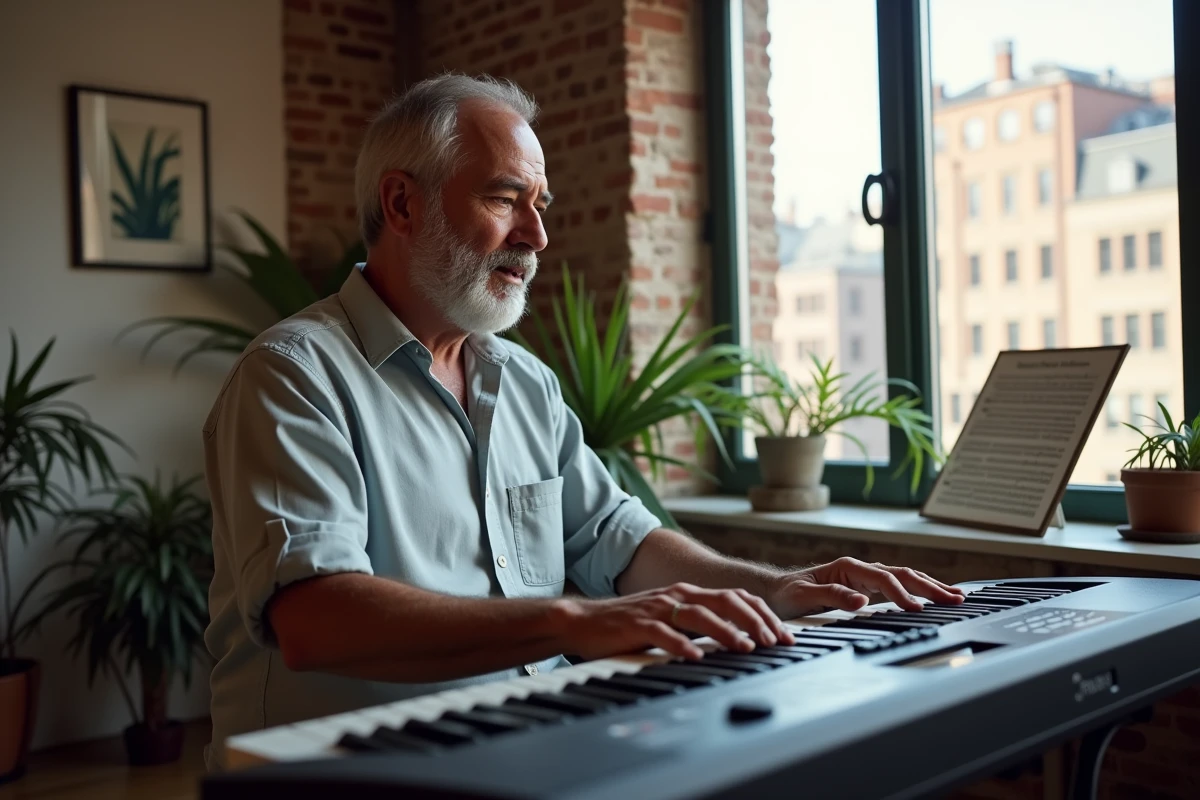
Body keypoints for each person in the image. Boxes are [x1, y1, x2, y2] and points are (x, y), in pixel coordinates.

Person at [201, 73, 963, 769]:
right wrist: (574, 621)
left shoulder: (522, 381)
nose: (536, 237)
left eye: (540, 206)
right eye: (505, 199)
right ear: (402, 204)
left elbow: (617, 542)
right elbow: (314, 617)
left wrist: (780, 587)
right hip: (351, 770)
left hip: (527, 738)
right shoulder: (295, 373)